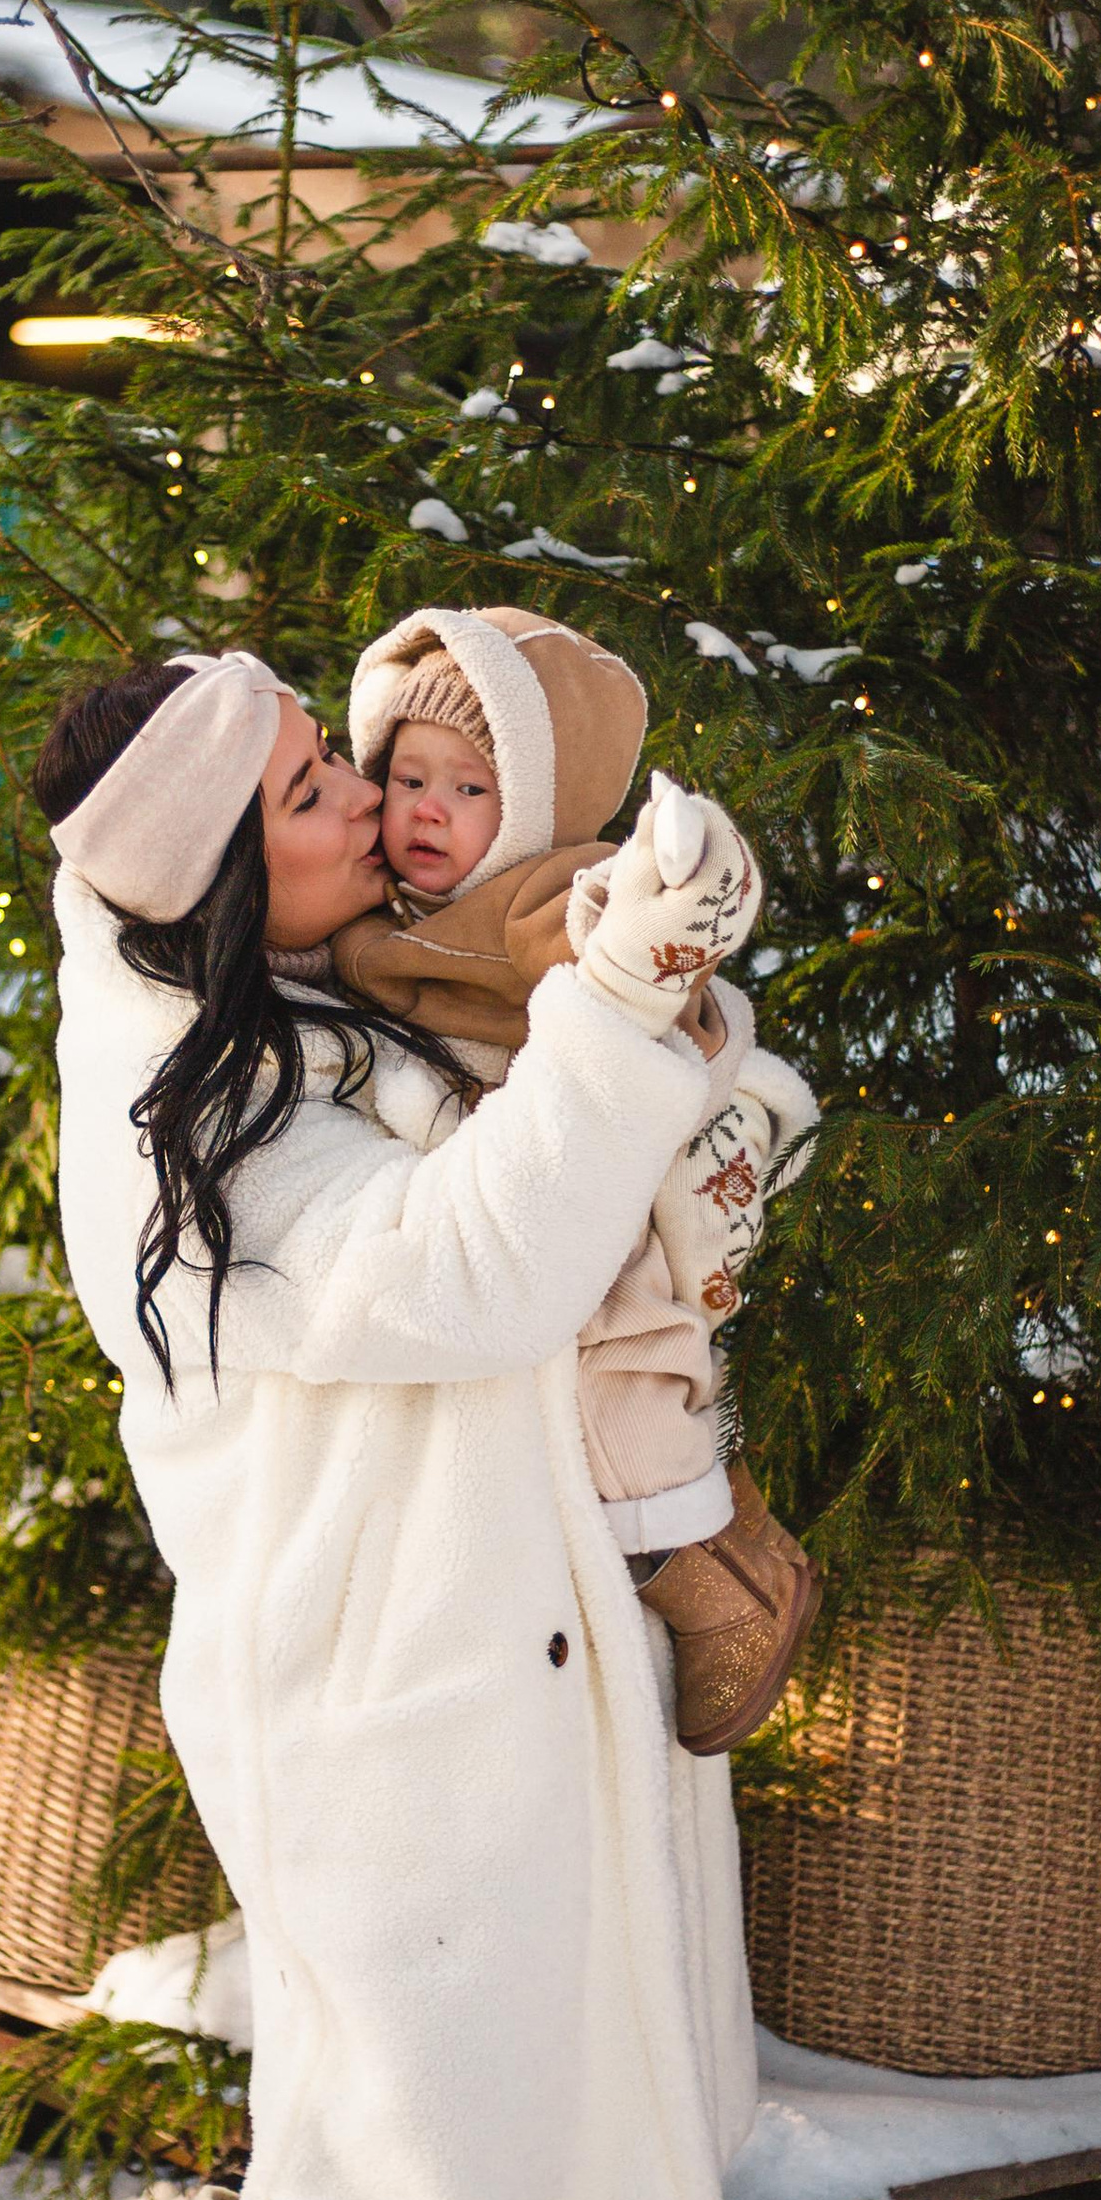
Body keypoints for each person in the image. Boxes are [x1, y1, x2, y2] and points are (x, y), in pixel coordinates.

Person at [0, 648, 763, 2200]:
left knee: (441, 2125)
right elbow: (461, 1274)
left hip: (474, 1645)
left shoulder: (295, 1007)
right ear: (209, 873)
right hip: (371, 1692)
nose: (361, 811)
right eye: (310, 791)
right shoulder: (188, 1107)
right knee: (380, 2168)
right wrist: (609, 1012)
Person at [331, 604, 821, 1752]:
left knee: (621, 1382)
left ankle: (719, 1580)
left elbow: (625, 938)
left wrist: (658, 902)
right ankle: (717, 1541)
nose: (428, 813)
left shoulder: (544, 892)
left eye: (470, 788)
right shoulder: (385, 912)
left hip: (604, 1171)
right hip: (501, 1173)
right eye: (409, 779)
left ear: (537, 806)